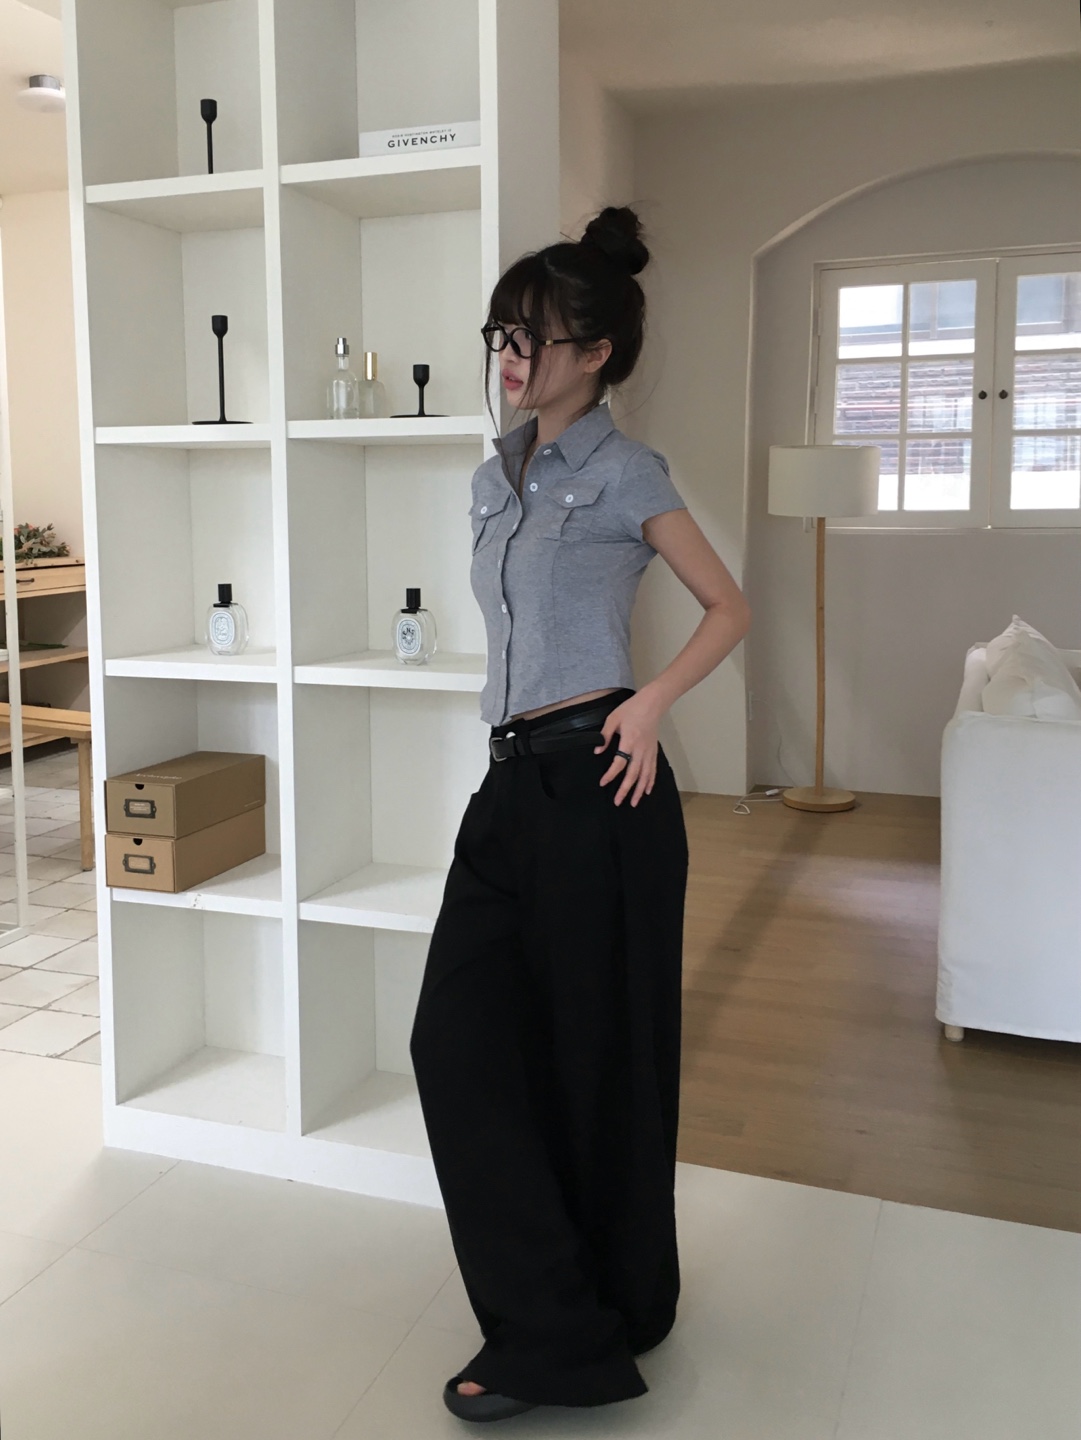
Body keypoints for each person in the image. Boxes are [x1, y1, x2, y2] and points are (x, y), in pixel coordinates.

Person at [409, 205, 751, 1423]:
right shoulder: (491, 478)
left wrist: (649, 704)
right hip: (508, 787)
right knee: (456, 1044)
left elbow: (727, 605)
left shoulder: (625, 473)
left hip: (601, 784)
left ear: (596, 353)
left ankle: (596, 1320)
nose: (512, 357)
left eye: (537, 338)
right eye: (503, 333)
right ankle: (559, 1308)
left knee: (599, 1062)